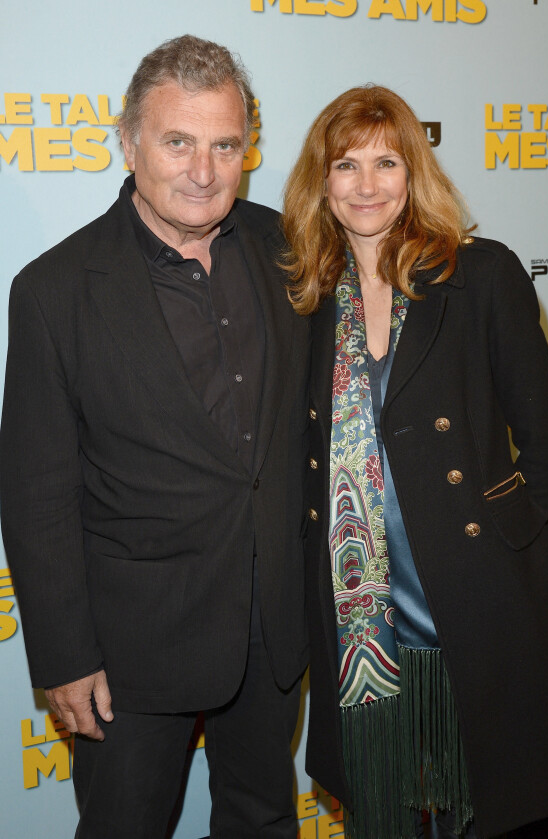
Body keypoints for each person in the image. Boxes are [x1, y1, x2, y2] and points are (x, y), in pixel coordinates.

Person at [0, 35, 309, 839]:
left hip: (269, 624)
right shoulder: (53, 290)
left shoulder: (291, 248)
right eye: (178, 142)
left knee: (264, 819)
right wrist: (65, 656)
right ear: (130, 140)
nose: (202, 171)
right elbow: (37, 494)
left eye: (225, 145)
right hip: (130, 649)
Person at [281, 85, 548, 839]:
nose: (368, 184)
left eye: (387, 161)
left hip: (476, 607)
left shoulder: (480, 275)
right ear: (322, 182)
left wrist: (510, 552)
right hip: (364, 630)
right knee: (388, 817)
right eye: (346, 165)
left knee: (485, 812)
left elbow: (547, 438)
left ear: (414, 171)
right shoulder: (309, 301)